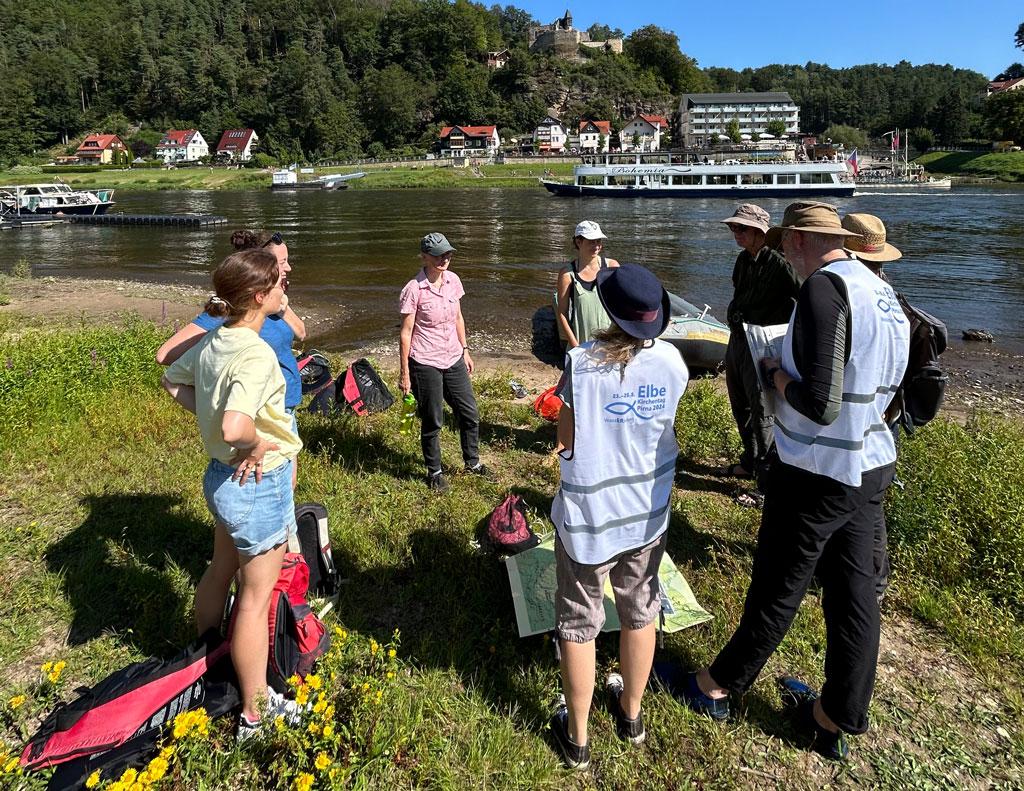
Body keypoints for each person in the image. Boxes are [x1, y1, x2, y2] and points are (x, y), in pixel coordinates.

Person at [679, 202, 909, 761]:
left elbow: (821, 402)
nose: (783, 249)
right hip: (870, 462)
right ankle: (835, 718)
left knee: (778, 583)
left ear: (804, 240)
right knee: (856, 595)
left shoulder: (824, 290)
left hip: (817, 466)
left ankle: (718, 685)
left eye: (787, 241)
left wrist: (776, 376)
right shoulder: (880, 291)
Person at [548, 264, 689, 770]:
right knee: (640, 608)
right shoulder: (674, 364)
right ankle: (631, 716)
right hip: (646, 513)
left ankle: (578, 737)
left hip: (590, 516)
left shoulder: (580, 364)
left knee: (579, 621)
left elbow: (565, 440)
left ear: (607, 310)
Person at [161, 249, 303, 739]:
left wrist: (216, 433)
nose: (286, 289)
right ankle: (254, 711)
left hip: (222, 479)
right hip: (256, 484)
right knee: (254, 599)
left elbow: (170, 378)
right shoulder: (257, 352)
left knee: (220, 568)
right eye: (279, 285)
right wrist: (254, 441)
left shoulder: (216, 338)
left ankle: (209, 650)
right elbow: (237, 423)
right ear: (260, 297)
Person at [157, 230, 305, 487]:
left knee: (285, 480)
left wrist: (283, 308)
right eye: (282, 263)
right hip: (254, 411)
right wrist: (210, 406)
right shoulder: (232, 314)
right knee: (266, 484)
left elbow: (301, 333)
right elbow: (165, 356)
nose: (289, 268)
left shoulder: (276, 300)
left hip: (285, 402)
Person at [842, 213, 904, 604]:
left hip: (861, 416)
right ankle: (871, 580)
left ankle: (868, 583)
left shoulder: (854, 294)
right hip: (886, 411)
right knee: (870, 505)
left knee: (859, 503)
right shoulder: (890, 296)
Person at [717, 204, 800, 484]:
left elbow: (803, 298)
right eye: (732, 228)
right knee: (739, 402)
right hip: (739, 338)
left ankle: (768, 479)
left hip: (763, 344)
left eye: (741, 228)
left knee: (762, 409)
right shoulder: (743, 260)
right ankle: (750, 461)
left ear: (759, 231)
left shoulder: (781, 263)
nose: (735, 233)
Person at [398, 233, 487, 493]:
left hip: (453, 357)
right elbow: (406, 333)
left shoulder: (453, 281)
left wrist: (466, 350)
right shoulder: (413, 289)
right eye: (438, 255)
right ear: (424, 256)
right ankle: (434, 472)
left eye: (447, 253)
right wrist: (405, 373)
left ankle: (472, 462)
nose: (444, 259)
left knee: (469, 413)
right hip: (425, 360)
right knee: (433, 419)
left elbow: (458, 318)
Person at [555, 221, 620, 351]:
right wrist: (576, 348)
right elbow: (562, 313)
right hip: (581, 346)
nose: (596, 246)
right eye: (591, 241)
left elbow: (622, 306)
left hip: (610, 346)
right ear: (578, 242)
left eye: (598, 241)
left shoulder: (612, 267)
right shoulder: (568, 274)